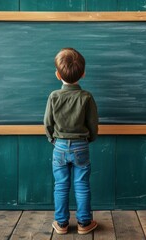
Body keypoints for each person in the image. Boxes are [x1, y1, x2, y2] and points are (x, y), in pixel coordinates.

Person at [44, 48, 99, 235]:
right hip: (81, 145)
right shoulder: (86, 97)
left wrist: (53, 139)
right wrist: (89, 138)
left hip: (59, 145)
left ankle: (61, 224)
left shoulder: (54, 96)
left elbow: (47, 123)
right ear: (83, 74)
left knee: (60, 185)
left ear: (57, 74)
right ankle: (84, 223)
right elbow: (93, 123)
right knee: (82, 185)